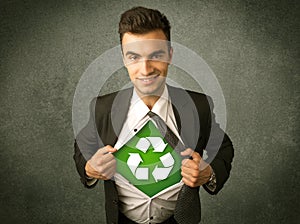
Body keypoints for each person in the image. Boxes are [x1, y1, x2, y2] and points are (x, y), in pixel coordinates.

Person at [74, 6, 234, 224]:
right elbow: (81, 147)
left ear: (169, 54)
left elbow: (223, 148)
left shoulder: (199, 106)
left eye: (156, 55)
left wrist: (209, 174)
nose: (146, 69)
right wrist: (89, 168)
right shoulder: (103, 108)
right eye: (134, 57)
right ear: (123, 59)